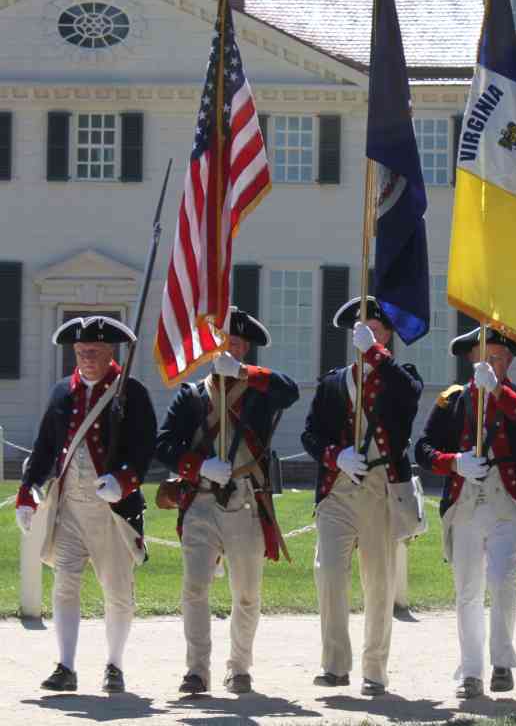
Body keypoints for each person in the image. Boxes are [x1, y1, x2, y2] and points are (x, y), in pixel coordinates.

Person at [155, 307, 299, 695]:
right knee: (194, 588)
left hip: (246, 502)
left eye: (233, 343)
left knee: (247, 593)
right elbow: (164, 445)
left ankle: (239, 667)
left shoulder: (259, 391)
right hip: (201, 500)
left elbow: (291, 391)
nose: (226, 348)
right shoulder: (191, 395)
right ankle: (197, 670)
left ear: (245, 347)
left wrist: (243, 374)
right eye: (219, 341)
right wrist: (199, 465)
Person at [15, 316, 157, 693]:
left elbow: (144, 448)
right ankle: (65, 665)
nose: (86, 358)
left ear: (111, 351)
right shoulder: (63, 391)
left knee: (117, 592)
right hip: (70, 509)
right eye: (80, 351)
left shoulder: (131, 392)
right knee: (64, 586)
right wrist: (28, 490)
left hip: (111, 512)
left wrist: (123, 480)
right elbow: (45, 446)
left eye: (93, 351)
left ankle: (114, 664)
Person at [416, 326, 516, 699]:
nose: (489, 363)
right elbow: (423, 449)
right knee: (467, 590)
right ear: (472, 360)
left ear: (508, 362)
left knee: (503, 581)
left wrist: (498, 391)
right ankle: (471, 671)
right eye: (483, 357)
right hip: (465, 503)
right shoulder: (453, 400)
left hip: (507, 502)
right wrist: (454, 463)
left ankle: (502, 661)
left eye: (497, 358)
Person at [301, 296, 423, 696]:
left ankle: (375, 670)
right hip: (337, 490)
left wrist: (377, 353)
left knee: (379, 582)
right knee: (329, 574)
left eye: (377, 326)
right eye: (363, 327)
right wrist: (336, 455)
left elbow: (407, 398)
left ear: (387, 334)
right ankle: (335, 665)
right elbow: (310, 435)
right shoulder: (335, 381)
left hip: (379, 489)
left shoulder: (400, 375)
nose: (369, 331)